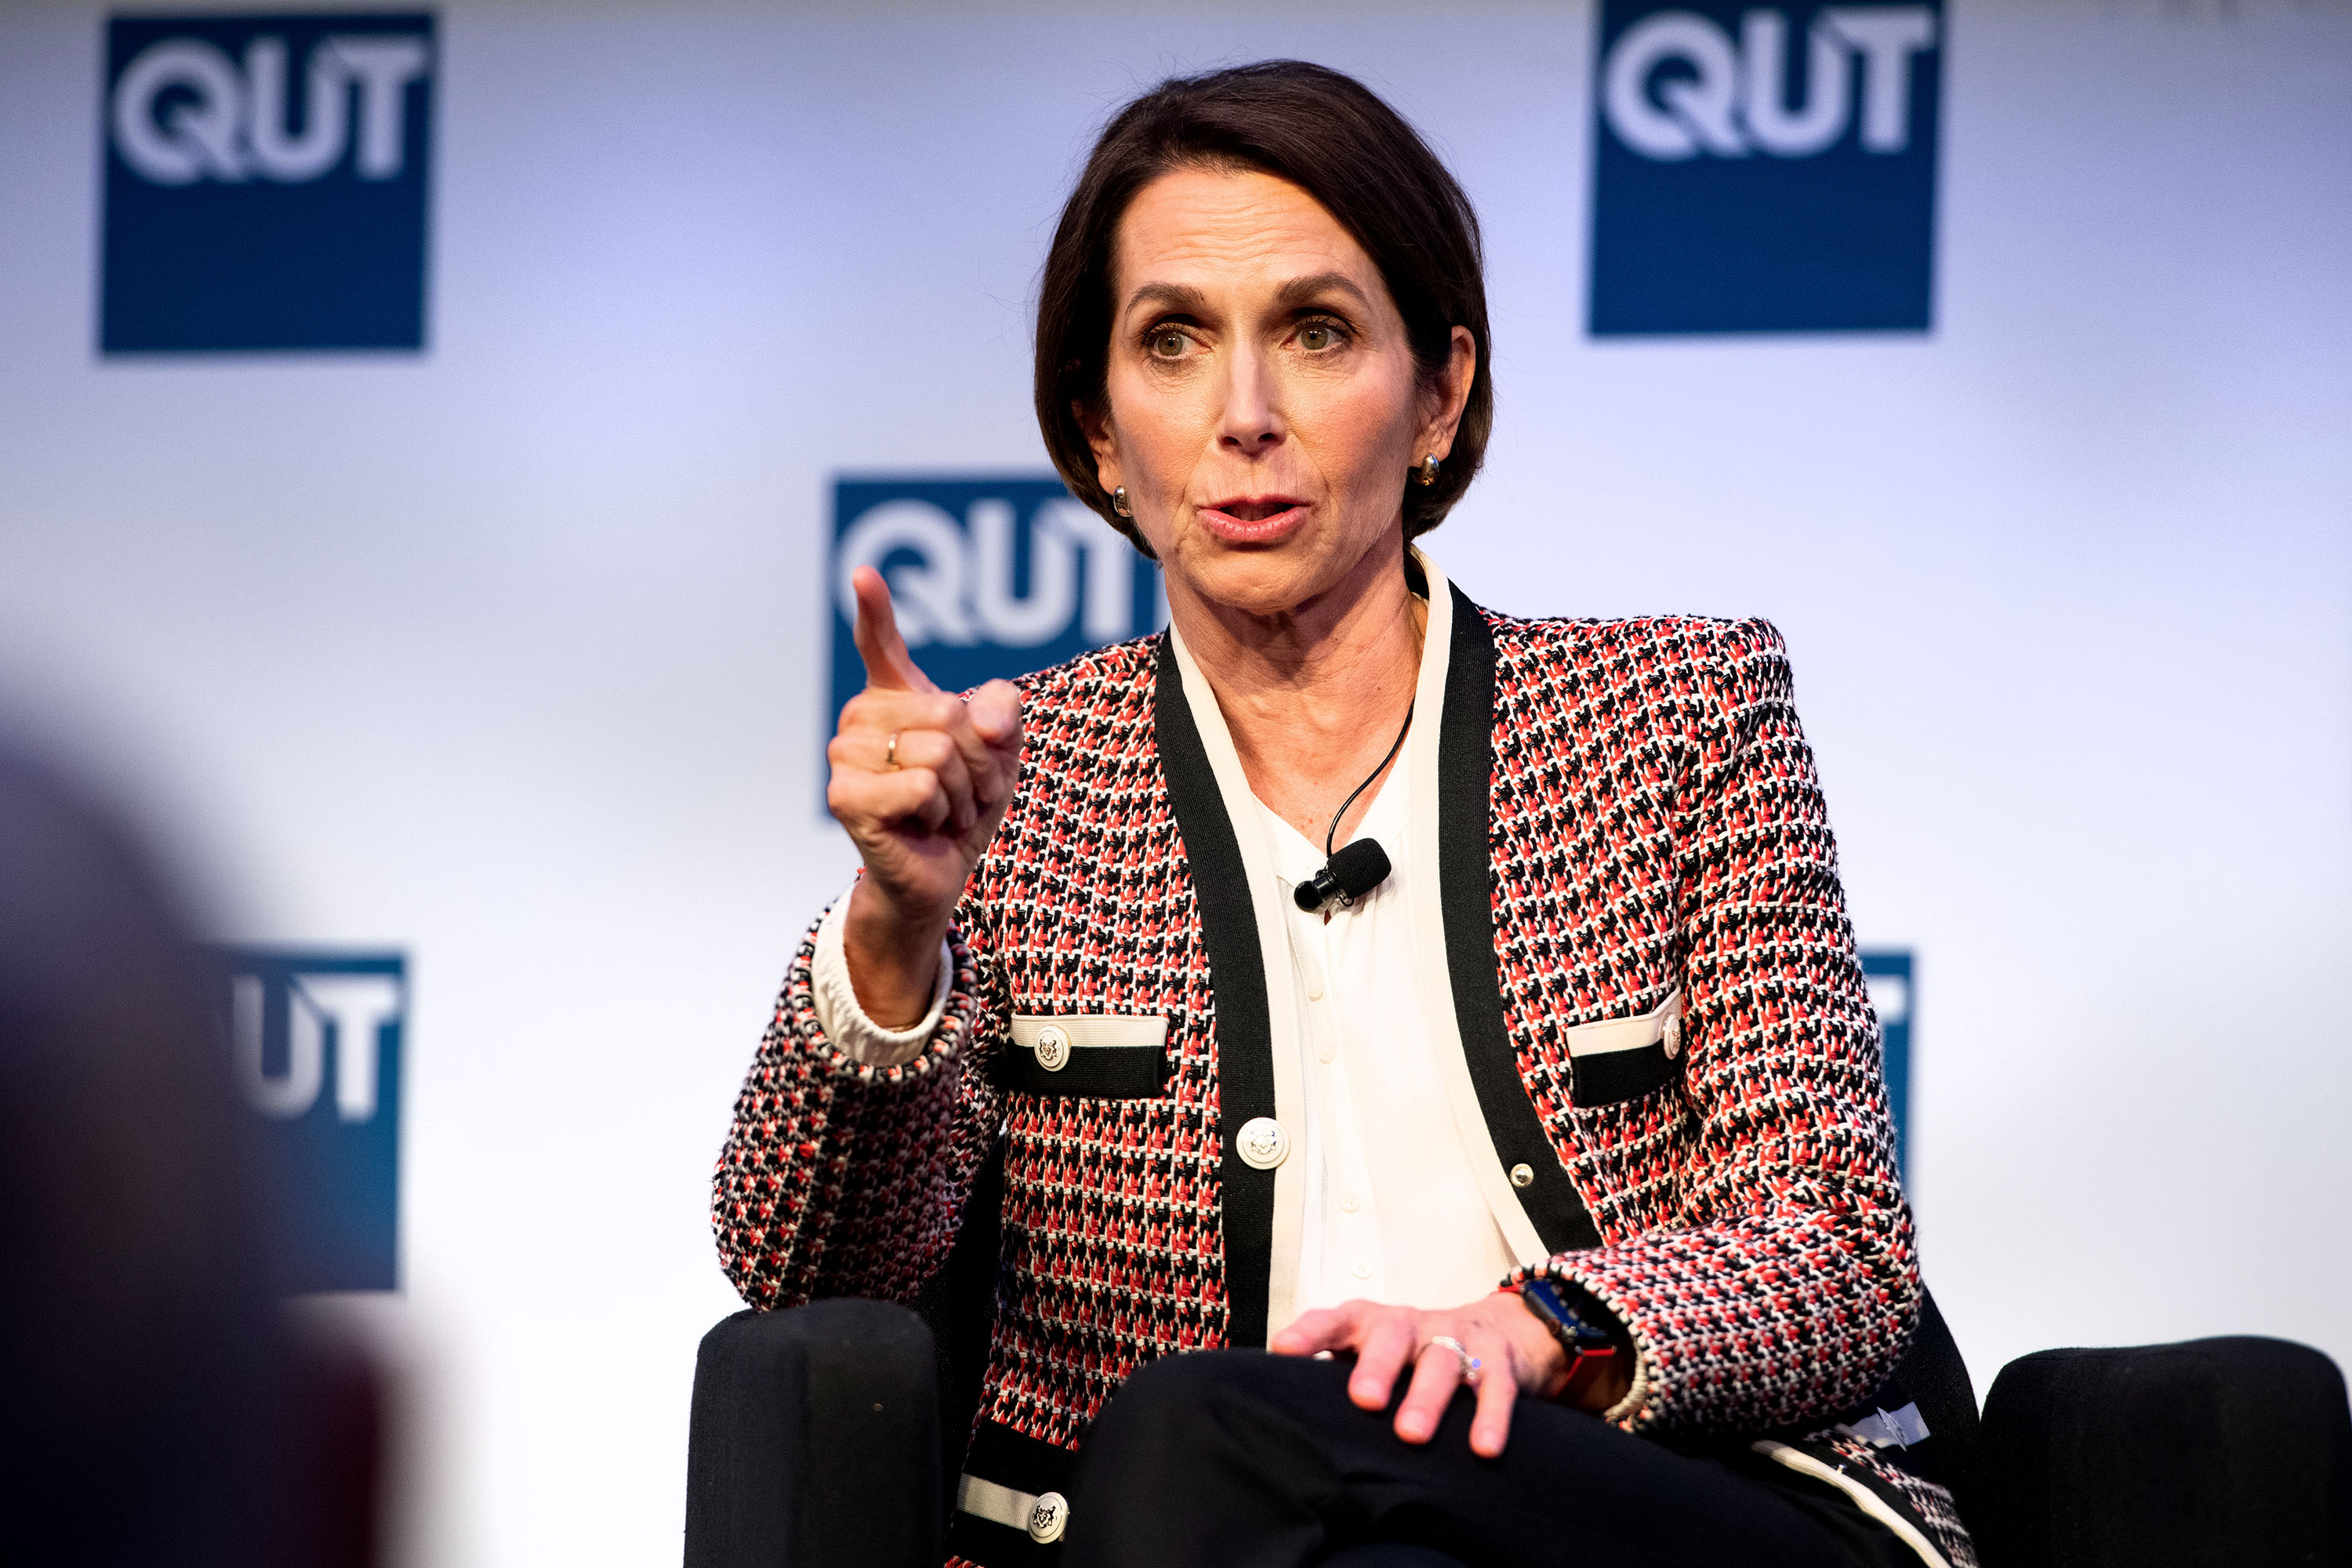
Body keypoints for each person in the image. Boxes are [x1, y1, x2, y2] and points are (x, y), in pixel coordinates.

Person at [714, 60, 1974, 1568]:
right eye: (1174, 343)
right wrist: (896, 933)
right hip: (1211, 1534)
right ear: (1100, 432)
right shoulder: (1016, 788)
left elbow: (1832, 1246)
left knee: (1201, 1429)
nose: (1246, 416)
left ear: (1439, 394)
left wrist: (1532, 1332)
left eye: (1315, 334)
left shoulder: (1679, 716)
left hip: (1656, 1507)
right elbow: (814, 1275)